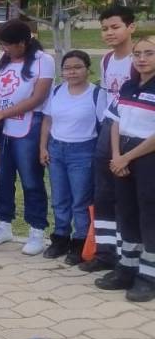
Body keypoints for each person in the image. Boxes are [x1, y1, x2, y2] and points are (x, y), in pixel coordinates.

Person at [0, 19, 55, 256]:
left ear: (23, 43)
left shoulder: (43, 61)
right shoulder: (3, 58)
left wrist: (3, 113)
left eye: (8, 44)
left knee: (30, 180)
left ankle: (37, 230)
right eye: (1, 44)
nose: (3, 48)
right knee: (2, 177)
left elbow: (38, 97)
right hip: (1, 127)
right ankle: (3, 224)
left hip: (29, 126)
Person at [97, 36, 155, 302]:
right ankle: (128, 267)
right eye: (138, 54)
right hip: (123, 155)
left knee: (149, 216)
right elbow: (116, 122)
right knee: (127, 213)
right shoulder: (129, 86)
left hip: (147, 157)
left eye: (149, 53)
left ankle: (148, 275)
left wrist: (127, 157)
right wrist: (117, 155)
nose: (142, 58)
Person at [40, 50, 107, 263]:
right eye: (67, 68)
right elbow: (48, 121)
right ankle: (60, 238)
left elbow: (104, 126)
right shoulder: (57, 91)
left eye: (77, 67)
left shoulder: (97, 94)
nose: (72, 72)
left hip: (83, 152)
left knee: (80, 200)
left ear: (87, 69)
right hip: (56, 149)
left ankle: (80, 243)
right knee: (59, 199)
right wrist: (43, 147)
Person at [86, 6, 137, 273]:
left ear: (131, 27)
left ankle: (127, 255)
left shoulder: (140, 59)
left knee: (125, 194)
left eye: (115, 27)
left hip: (132, 132)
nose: (109, 33)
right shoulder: (107, 59)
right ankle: (104, 253)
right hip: (109, 127)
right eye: (104, 28)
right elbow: (107, 95)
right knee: (103, 192)